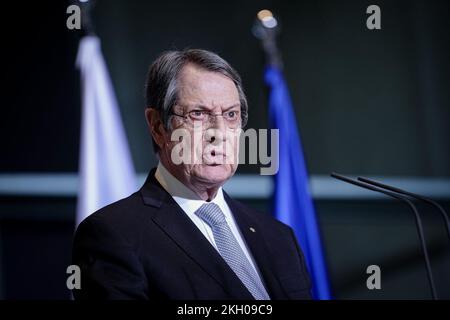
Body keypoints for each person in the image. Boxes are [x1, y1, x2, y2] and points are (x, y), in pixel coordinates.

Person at [72, 49, 311, 300]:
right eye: (198, 114)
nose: (218, 132)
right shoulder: (114, 235)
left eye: (231, 115)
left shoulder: (279, 236)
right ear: (157, 126)